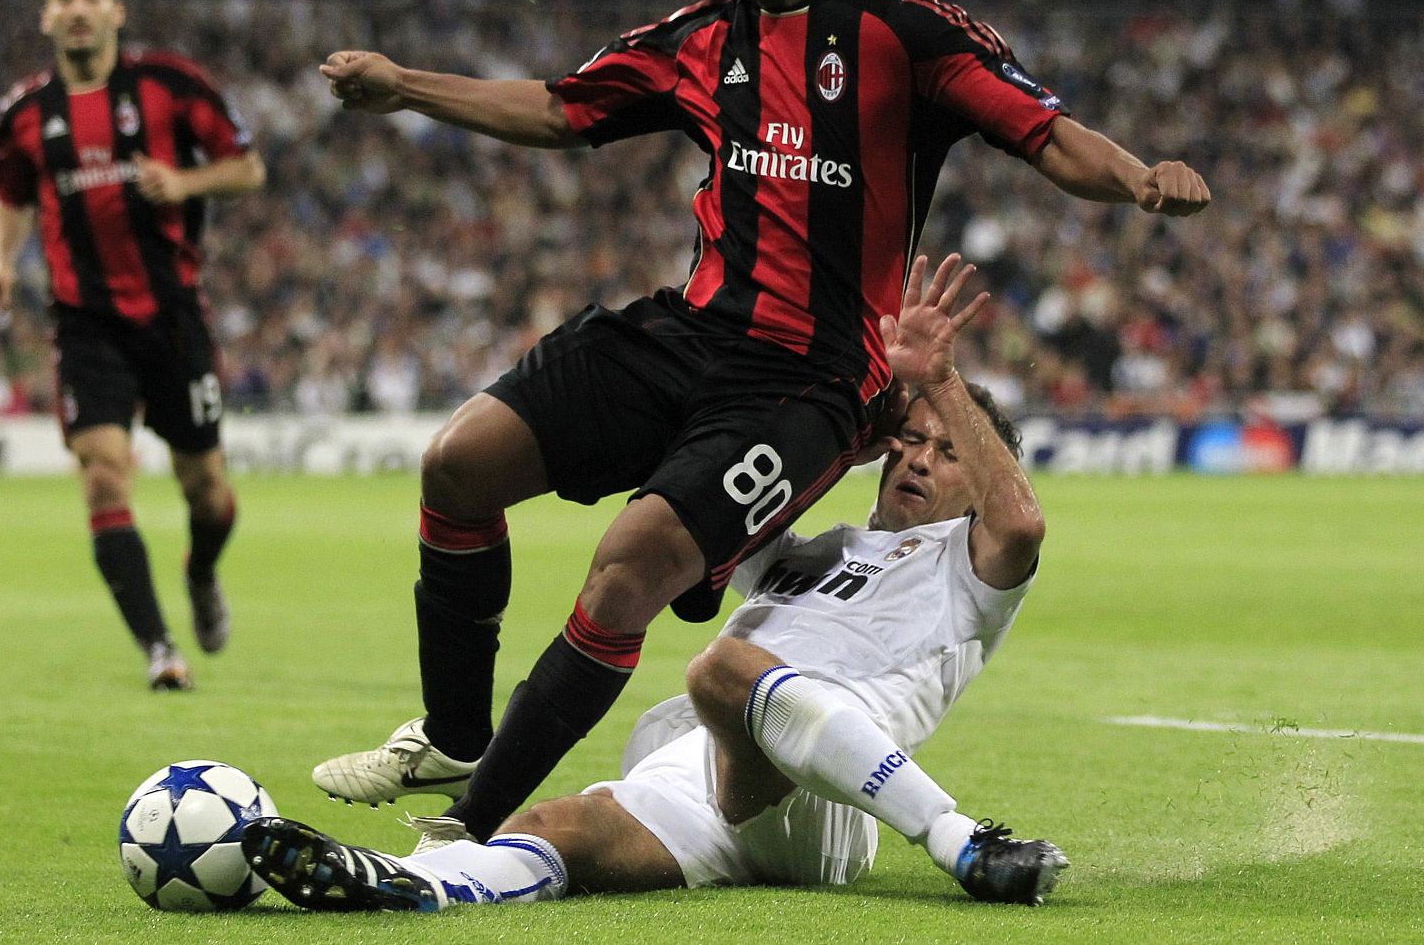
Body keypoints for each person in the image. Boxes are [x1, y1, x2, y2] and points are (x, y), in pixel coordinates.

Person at [309, 0, 1209, 841]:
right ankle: (456, 731)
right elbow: (561, 110)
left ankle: (472, 825)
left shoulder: (903, 33)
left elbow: (1045, 136)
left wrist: (1140, 180)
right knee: (459, 462)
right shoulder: (700, 38)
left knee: (629, 567)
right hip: (685, 334)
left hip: (811, 378)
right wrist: (403, 88)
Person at [248, 253, 1068, 910]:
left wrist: (945, 384)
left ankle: (960, 839)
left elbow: (1022, 522)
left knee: (720, 669)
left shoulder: (967, 571)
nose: (918, 458)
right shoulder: (815, 550)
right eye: (909, 443)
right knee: (556, 825)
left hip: (828, 801)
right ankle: (409, 886)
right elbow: (710, 485)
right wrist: (846, 429)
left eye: (946, 451)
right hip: (718, 776)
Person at [0, 0, 266, 690]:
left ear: (117, 12)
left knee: (206, 488)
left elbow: (248, 167)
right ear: (45, 18)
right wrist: (2, 264)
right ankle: (159, 648)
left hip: (172, 319)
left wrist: (185, 182)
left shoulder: (170, 87)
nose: (77, 9)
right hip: (85, 325)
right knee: (105, 477)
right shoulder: (22, 114)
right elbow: (12, 195)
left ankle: (201, 573)